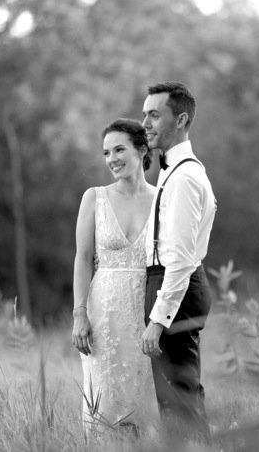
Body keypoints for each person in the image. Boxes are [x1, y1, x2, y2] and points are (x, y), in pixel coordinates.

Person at [140, 82, 216, 443]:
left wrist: (158, 320)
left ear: (181, 119)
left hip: (177, 288)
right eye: (144, 115)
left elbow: (182, 259)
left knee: (180, 401)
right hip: (172, 284)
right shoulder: (173, 170)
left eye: (154, 115)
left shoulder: (184, 177)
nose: (146, 123)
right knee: (176, 400)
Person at [71, 118, 157, 436]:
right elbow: (82, 259)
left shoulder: (164, 199)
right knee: (105, 403)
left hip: (148, 313)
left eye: (119, 149)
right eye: (106, 153)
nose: (112, 159)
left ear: (142, 149)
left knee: (145, 402)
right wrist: (79, 313)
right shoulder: (94, 198)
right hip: (103, 312)